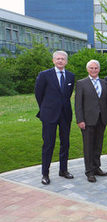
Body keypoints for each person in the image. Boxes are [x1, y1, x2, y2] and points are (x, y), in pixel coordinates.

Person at [35, 51, 75, 185]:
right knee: (48, 145)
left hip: (65, 115)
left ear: (66, 61)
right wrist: (46, 109)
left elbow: (67, 95)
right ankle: (45, 174)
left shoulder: (70, 76)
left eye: (63, 59)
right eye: (58, 59)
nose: (60, 61)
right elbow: (38, 94)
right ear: (53, 61)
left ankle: (63, 170)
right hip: (49, 115)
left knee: (65, 144)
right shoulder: (44, 75)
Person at [75, 60, 107, 183]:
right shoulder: (82, 83)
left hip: (102, 119)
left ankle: (97, 168)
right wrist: (80, 119)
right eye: (91, 68)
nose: (94, 70)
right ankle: (89, 172)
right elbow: (78, 104)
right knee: (88, 146)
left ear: (99, 69)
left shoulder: (104, 83)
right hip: (87, 120)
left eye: (96, 68)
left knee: (98, 145)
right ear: (88, 69)